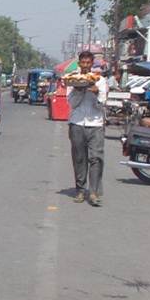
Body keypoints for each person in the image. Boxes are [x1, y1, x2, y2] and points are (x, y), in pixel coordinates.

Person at [67, 51, 108, 206]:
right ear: (79, 64)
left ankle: (94, 192)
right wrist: (79, 90)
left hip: (95, 123)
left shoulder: (100, 80)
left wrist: (96, 92)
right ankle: (80, 189)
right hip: (77, 123)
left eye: (88, 63)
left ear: (92, 64)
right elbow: (71, 104)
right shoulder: (72, 79)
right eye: (82, 63)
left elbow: (101, 104)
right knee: (79, 157)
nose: (85, 66)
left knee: (96, 158)